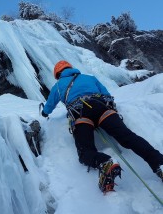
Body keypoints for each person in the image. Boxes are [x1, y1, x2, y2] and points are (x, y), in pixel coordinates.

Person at [41, 60, 163, 193]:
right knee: (128, 137)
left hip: (81, 113)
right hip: (103, 108)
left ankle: (104, 162)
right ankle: (159, 162)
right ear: (71, 68)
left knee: (85, 151)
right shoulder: (89, 78)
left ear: (58, 74)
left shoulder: (58, 85)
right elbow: (106, 94)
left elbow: (48, 107)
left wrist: (44, 112)